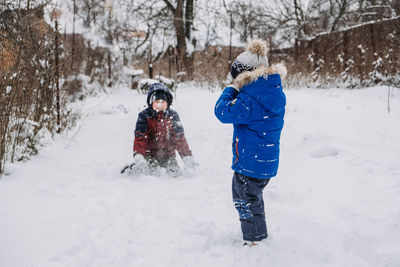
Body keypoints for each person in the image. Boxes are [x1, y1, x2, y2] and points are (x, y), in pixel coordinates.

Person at [214, 39, 287, 246]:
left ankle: (256, 241)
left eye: (236, 78)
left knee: (244, 201)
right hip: (265, 160)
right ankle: (257, 234)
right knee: (252, 199)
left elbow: (221, 111)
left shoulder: (249, 100)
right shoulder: (273, 92)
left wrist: (232, 88)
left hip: (249, 163)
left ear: (245, 77)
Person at [127, 82, 197, 177]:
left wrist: (186, 156)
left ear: (168, 103)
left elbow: (179, 138)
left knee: (176, 175)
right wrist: (139, 155)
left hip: (168, 155)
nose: (160, 106)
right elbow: (141, 137)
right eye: (157, 103)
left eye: (163, 103)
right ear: (151, 103)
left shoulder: (173, 116)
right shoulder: (144, 116)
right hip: (149, 155)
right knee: (151, 175)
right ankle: (134, 169)